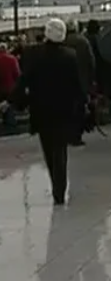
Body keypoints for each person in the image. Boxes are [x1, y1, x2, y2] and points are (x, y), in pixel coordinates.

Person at [8, 19, 84, 204]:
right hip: (63, 111)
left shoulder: (34, 54)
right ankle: (60, 188)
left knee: (48, 149)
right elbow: (77, 86)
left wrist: (17, 101)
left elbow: (24, 81)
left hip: (41, 110)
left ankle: (55, 184)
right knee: (60, 150)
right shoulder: (70, 56)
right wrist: (82, 105)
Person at [63, 20, 96, 146]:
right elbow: (91, 62)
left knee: (67, 109)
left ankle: (67, 134)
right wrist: (92, 79)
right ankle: (77, 136)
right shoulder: (83, 41)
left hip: (64, 83)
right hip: (81, 81)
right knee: (79, 109)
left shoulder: (62, 42)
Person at [0, 42, 21, 132]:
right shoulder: (12, 59)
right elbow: (17, 74)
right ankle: (10, 126)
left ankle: (5, 123)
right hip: (10, 88)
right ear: (6, 49)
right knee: (9, 107)